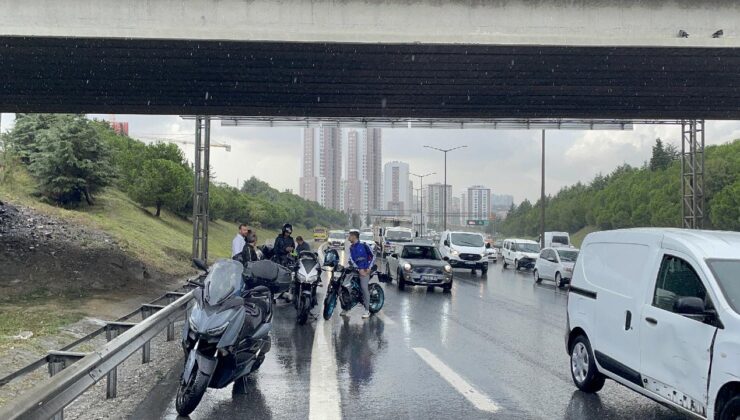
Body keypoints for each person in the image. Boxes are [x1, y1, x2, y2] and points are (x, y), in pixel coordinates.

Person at [346, 230, 374, 319]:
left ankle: (367, 310)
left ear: (354, 236)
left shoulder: (364, 245)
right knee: (345, 284)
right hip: (357, 270)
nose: (348, 237)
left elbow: (373, 256)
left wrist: (369, 268)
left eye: (349, 236)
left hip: (366, 270)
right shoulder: (351, 248)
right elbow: (350, 259)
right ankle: (346, 307)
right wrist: (358, 269)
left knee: (364, 288)